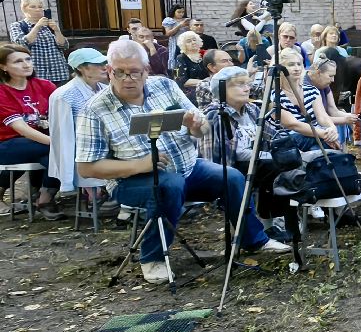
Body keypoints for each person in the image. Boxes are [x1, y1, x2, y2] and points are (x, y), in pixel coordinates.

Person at [75, 39, 287, 282]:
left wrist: (196, 127)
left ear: (146, 70)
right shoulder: (95, 110)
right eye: (119, 72)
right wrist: (140, 165)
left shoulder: (164, 86)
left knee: (232, 177)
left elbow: (202, 130)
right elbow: (86, 167)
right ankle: (153, 257)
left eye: (134, 72)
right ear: (109, 70)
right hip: (130, 180)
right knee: (169, 185)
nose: (127, 79)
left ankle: (253, 240)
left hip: (188, 168)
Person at [201, 67, 301, 245]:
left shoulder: (251, 109)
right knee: (275, 167)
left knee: (290, 161)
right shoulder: (215, 115)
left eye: (247, 84)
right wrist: (272, 156)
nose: (247, 88)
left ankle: (281, 224)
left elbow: (273, 135)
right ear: (222, 89)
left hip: (258, 163)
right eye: (240, 84)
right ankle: (271, 225)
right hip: (230, 169)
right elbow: (219, 157)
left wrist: (290, 150)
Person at [0, 42, 63, 217]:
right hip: (8, 143)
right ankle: (42, 197)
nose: (26, 64)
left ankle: (44, 197)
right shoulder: (2, 92)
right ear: (3, 67)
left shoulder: (45, 85)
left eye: (28, 59)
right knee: (57, 149)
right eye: (18, 61)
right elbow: (22, 129)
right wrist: (56, 142)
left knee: (50, 155)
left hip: (41, 141)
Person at [47, 47, 111, 202]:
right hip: (83, 150)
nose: (104, 67)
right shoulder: (64, 95)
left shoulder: (106, 89)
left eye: (105, 63)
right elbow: (63, 136)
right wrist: (66, 179)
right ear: (81, 68)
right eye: (97, 64)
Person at [272, 48, 339, 148]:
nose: (297, 68)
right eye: (291, 64)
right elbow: (293, 125)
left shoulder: (312, 90)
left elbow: (322, 117)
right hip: (290, 142)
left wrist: (332, 129)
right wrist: (324, 135)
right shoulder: (275, 96)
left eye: (299, 64)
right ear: (281, 69)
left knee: (325, 148)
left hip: (316, 137)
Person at [9, 0, 69, 84]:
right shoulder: (18, 26)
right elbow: (21, 45)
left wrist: (57, 30)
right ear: (24, 9)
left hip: (57, 72)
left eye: (40, 7)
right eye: (33, 7)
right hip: (35, 73)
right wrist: (37, 26)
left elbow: (64, 46)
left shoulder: (49, 26)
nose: (38, 10)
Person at [306, 57, 357, 144]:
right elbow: (319, 119)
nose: (333, 80)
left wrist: (352, 117)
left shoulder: (324, 84)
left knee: (343, 117)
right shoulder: (306, 88)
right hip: (311, 128)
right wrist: (345, 119)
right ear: (318, 73)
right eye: (330, 76)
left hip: (325, 124)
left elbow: (333, 110)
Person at [172, 30, 208, 98]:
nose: (193, 42)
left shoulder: (205, 55)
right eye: (189, 41)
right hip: (191, 92)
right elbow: (180, 80)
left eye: (194, 40)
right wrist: (204, 82)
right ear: (183, 45)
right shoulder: (180, 58)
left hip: (208, 88)